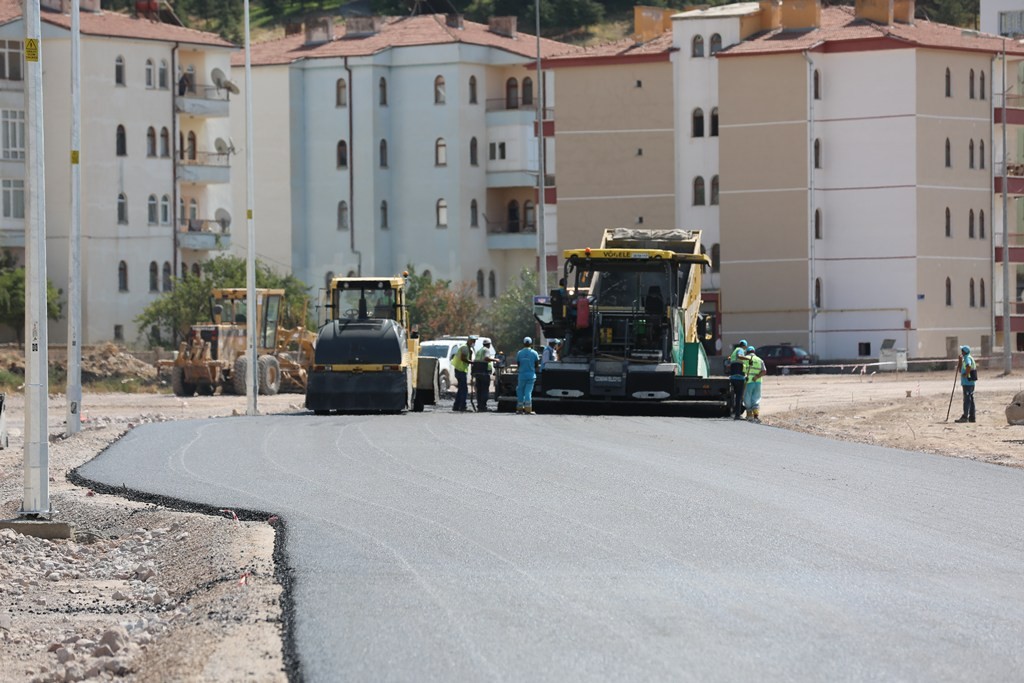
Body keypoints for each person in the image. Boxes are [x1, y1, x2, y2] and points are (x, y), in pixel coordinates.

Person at [516, 336, 540, 414]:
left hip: (522, 375)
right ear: (531, 343)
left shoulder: (519, 353)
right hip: (531, 376)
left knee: (520, 391)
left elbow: (518, 364)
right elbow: (536, 364)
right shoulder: (534, 353)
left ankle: (519, 409)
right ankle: (528, 409)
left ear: (523, 343)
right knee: (528, 392)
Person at [452, 335, 475, 412]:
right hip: (460, 370)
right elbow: (463, 358)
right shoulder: (465, 347)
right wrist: (472, 362)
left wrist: (471, 353)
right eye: (472, 341)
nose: (474, 342)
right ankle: (462, 406)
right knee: (464, 389)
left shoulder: (468, 348)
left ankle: (456, 406)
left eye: (474, 341)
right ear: (469, 340)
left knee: (461, 389)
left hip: (461, 370)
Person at [743, 345, 765, 422]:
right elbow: (764, 371)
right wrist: (757, 377)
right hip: (758, 382)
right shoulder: (760, 360)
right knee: (756, 398)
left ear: (747, 352)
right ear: (754, 352)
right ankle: (756, 416)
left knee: (747, 398)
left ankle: (749, 415)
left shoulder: (745, 358)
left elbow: (742, 370)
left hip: (749, 382)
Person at [472, 339, 496, 411]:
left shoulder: (479, 350)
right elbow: (486, 358)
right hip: (484, 373)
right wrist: (495, 360)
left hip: (478, 373)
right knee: (485, 390)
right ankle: (483, 407)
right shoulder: (486, 350)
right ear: (489, 345)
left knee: (479, 390)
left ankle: (479, 406)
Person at [955, 344, 977, 423]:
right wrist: (960, 361)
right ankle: (972, 417)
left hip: (967, 383)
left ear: (964, 352)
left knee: (967, 399)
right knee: (970, 399)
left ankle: (965, 416)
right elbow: (960, 370)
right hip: (970, 383)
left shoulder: (967, 358)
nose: (961, 352)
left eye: (962, 351)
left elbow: (968, 366)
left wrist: (966, 374)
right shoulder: (967, 358)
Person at [728, 339, 748, 420]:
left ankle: (732, 412)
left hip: (733, 376)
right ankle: (737, 415)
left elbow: (730, 358)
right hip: (739, 377)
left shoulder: (734, 351)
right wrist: (748, 359)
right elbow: (740, 356)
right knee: (739, 396)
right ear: (744, 346)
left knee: (734, 396)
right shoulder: (740, 350)